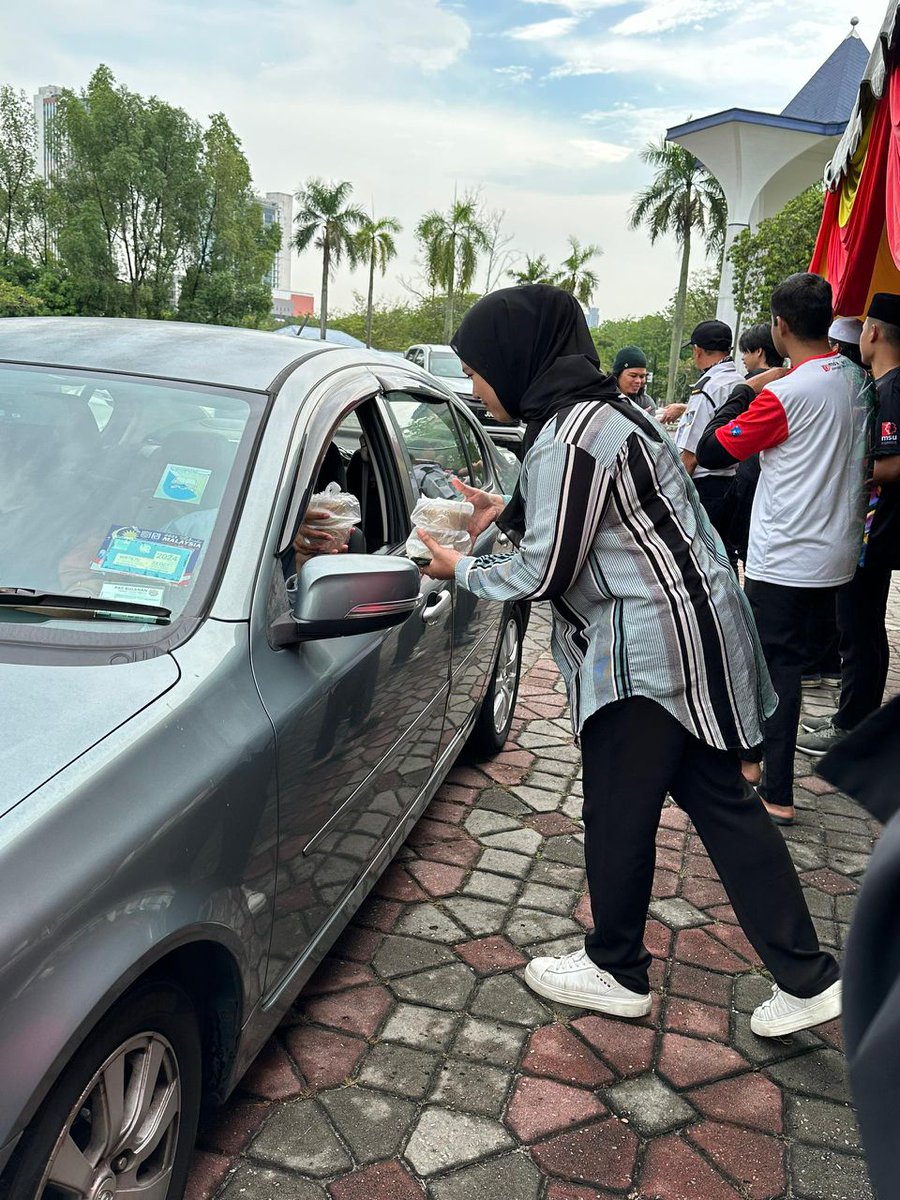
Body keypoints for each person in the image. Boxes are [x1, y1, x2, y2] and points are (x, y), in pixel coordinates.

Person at [418, 283, 841, 1035]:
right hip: (688, 635)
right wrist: (505, 512)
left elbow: (547, 571)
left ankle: (617, 969)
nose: (477, 386)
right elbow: (594, 517)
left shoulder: (573, 433)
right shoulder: (598, 415)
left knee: (619, 810)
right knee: (722, 806)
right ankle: (808, 977)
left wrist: (461, 569)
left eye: (478, 368)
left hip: (648, 651)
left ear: (517, 360)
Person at [695, 273, 872, 825]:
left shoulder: (786, 395)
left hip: (786, 553)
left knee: (776, 670)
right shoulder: (854, 378)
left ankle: (776, 790)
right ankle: (751, 761)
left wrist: (749, 388)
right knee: (791, 660)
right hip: (836, 551)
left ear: (781, 325)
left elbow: (714, 447)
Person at [798, 293, 900, 756]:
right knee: (862, 627)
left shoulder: (892, 387)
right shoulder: (884, 383)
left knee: (858, 628)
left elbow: (892, 464)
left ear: (873, 333)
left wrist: (845, 465)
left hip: (873, 532)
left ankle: (851, 727)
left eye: (862, 329)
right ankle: (856, 715)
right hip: (872, 529)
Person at [673, 321, 744, 544]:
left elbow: (691, 455)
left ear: (698, 350)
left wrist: (675, 496)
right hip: (733, 482)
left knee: (701, 552)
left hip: (707, 488)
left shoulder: (708, 387)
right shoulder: (740, 382)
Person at [720, 324, 784, 565]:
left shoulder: (750, 386)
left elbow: (732, 430)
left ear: (758, 352)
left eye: (746, 352)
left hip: (744, 476)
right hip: (772, 483)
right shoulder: (793, 380)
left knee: (729, 548)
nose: (744, 358)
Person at [612, 346, 655, 414]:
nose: (638, 381)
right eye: (633, 376)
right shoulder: (604, 400)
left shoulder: (645, 403)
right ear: (618, 375)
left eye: (642, 376)